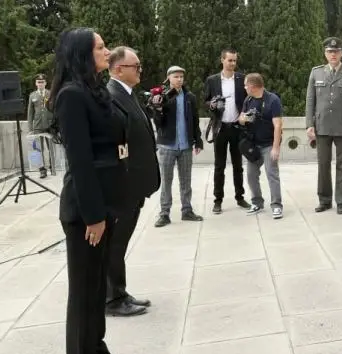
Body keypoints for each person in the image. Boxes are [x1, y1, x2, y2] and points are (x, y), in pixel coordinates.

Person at [48, 27, 133, 354]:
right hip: (86, 212)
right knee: (84, 296)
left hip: (104, 205)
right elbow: (80, 162)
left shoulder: (94, 90)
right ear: (83, 53)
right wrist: (95, 216)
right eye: (100, 47)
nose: (107, 50)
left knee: (97, 293)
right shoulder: (71, 96)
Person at [105, 46, 159, 317]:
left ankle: (120, 291)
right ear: (118, 69)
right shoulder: (111, 97)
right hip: (124, 186)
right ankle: (111, 299)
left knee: (120, 244)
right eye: (135, 66)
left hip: (134, 185)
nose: (140, 70)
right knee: (114, 245)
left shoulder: (127, 94)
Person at [305, 37, 342, 215]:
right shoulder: (316, 73)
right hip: (321, 125)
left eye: (336, 52)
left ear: (341, 53)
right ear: (325, 53)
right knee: (323, 165)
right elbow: (310, 100)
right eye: (330, 52)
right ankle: (324, 200)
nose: (333, 55)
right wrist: (309, 124)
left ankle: (341, 201)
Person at [151, 65, 203, 227]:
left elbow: (195, 120)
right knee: (166, 181)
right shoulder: (162, 97)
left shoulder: (190, 97)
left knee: (186, 181)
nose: (179, 79)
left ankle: (187, 211)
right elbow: (158, 123)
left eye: (181, 77)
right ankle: (164, 214)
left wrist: (198, 140)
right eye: (176, 77)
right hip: (167, 146)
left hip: (186, 146)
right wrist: (158, 109)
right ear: (169, 78)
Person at [202, 49, 249, 214]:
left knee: (238, 165)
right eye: (229, 60)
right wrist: (212, 105)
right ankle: (218, 200)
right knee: (219, 166)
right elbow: (205, 101)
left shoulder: (242, 79)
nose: (232, 63)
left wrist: (245, 115)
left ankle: (240, 197)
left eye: (234, 60)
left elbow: (248, 100)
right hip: (220, 128)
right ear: (222, 60)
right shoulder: (212, 80)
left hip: (237, 127)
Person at [239, 73, 284, 219]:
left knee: (272, 174)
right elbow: (240, 119)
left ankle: (276, 205)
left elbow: (278, 125)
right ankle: (257, 202)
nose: (244, 88)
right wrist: (246, 118)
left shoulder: (273, 100)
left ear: (252, 86)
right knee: (251, 174)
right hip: (253, 144)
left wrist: (276, 148)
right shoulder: (248, 100)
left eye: (246, 85)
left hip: (269, 144)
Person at [26, 74, 54, 178]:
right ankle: (42, 170)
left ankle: (52, 166)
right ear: (36, 83)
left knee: (51, 147)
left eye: (42, 82)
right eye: (38, 82)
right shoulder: (32, 95)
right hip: (37, 126)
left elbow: (55, 109)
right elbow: (30, 113)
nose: (40, 84)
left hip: (49, 125)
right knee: (38, 149)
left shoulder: (50, 93)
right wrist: (30, 128)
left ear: (45, 83)